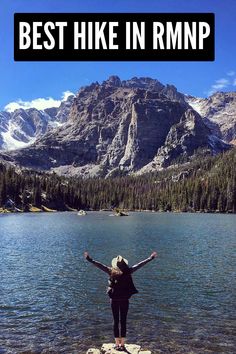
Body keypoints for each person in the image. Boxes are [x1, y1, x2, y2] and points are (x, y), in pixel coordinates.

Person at [84, 251, 157, 351]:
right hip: (125, 300)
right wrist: (150, 258)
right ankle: (122, 344)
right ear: (124, 264)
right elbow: (139, 265)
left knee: (115, 321)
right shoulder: (128, 271)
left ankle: (116, 343)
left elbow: (99, 265)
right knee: (123, 321)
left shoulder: (111, 271)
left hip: (114, 299)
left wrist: (89, 259)